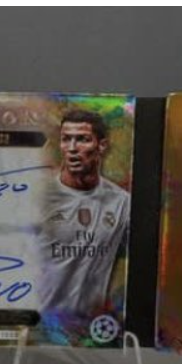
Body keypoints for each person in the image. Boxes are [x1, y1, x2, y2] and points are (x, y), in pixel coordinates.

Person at [39, 109, 130, 314]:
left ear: (102, 145)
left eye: (82, 139)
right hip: (41, 323)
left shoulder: (122, 203)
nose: (72, 148)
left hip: (89, 327)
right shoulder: (38, 198)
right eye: (66, 139)